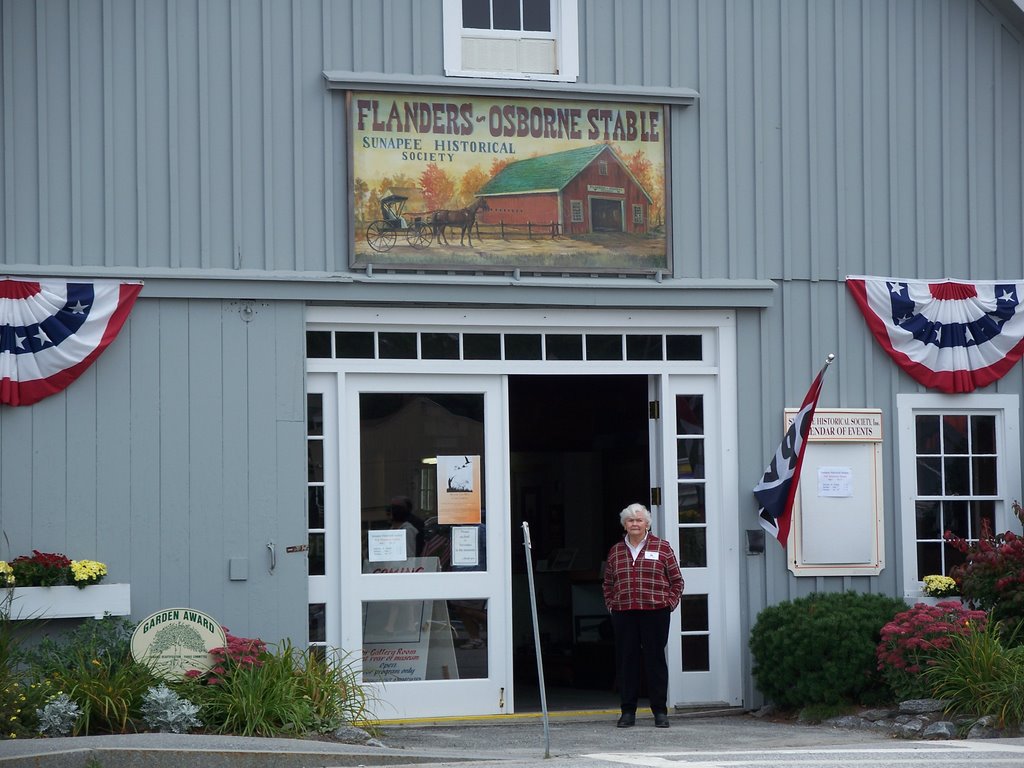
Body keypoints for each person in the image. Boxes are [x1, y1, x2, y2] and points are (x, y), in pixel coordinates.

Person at [602, 502, 684, 729]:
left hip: (655, 612)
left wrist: (669, 604)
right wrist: (611, 604)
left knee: (655, 660)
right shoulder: (616, 550)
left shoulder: (662, 547)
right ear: (624, 525)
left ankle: (660, 711)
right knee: (627, 661)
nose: (635, 524)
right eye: (630, 520)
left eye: (639, 520)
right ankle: (627, 712)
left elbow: (677, 581)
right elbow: (608, 583)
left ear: (647, 523)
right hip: (624, 612)